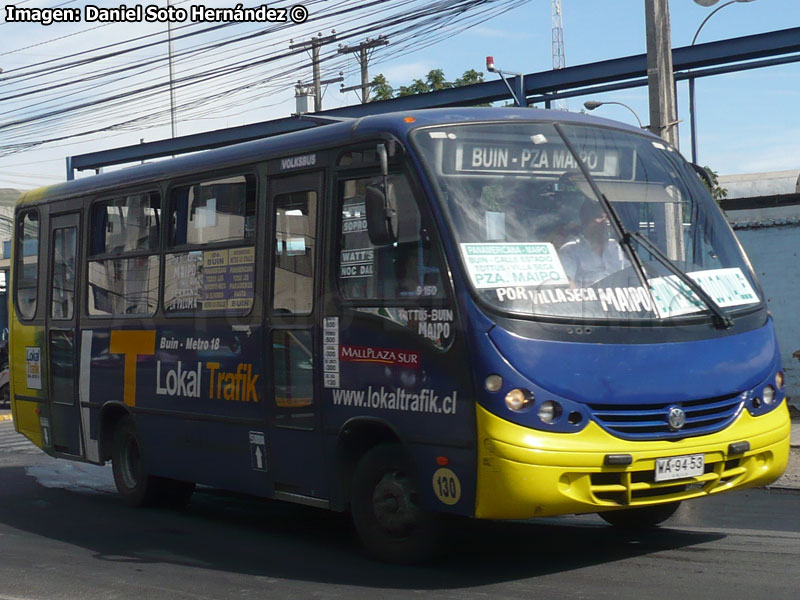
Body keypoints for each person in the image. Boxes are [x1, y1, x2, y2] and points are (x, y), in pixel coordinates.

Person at [558, 199, 629, 287]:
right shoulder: (570, 250)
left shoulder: (614, 246)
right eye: (599, 217)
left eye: (607, 218)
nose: (606, 222)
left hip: (620, 298)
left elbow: (631, 273)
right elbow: (568, 285)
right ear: (586, 220)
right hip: (589, 299)